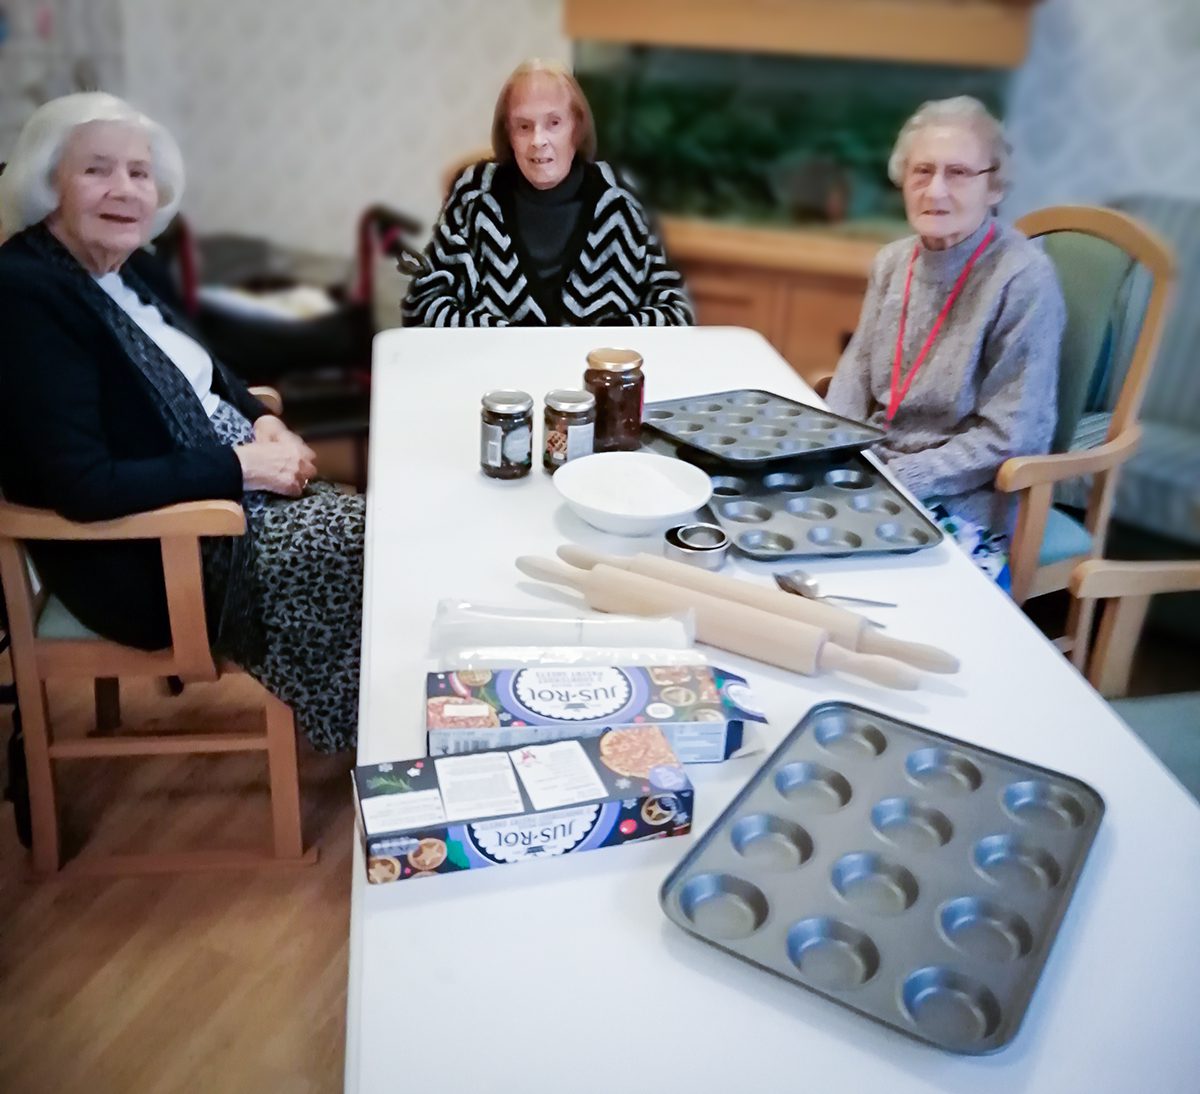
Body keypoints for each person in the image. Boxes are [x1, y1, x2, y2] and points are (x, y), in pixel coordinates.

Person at [0, 93, 363, 752]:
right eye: (96, 170)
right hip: (157, 549)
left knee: (381, 533)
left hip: (221, 488)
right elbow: (84, 484)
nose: (124, 189)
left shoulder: (127, 266)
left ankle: (375, 724)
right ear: (47, 180)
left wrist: (263, 423)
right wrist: (242, 465)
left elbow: (210, 371)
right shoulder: (25, 296)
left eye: (139, 173)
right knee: (374, 548)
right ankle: (371, 732)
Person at [825, 96, 1065, 585]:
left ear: (993, 186)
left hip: (961, 494)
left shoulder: (1022, 278)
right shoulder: (893, 262)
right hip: (871, 470)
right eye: (922, 171)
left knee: (863, 590)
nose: (935, 190)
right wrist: (832, 452)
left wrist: (904, 478)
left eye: (958, 172)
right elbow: (854, 376)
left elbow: (1014, 436)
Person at [403, 59, 693, 328]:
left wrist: (606, 341)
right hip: (500, 375)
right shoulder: (474, 193)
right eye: (524, 126)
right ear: (508, 133)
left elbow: (676, 311)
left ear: (576, 128)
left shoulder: (622, 196)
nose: (538, 141)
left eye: (554, 123)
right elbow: (422, 305)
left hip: (596, 377)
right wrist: (502, 338)